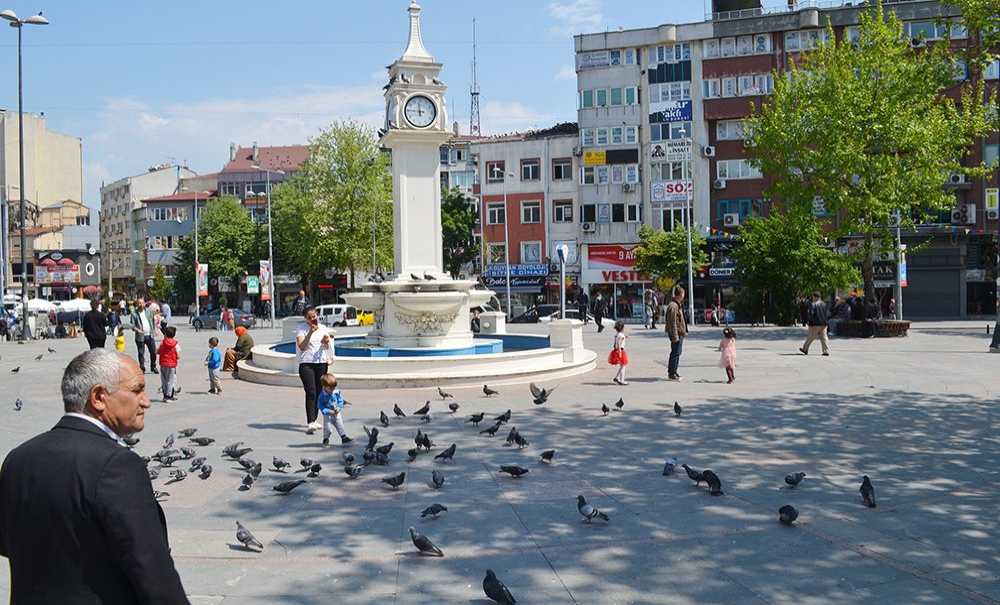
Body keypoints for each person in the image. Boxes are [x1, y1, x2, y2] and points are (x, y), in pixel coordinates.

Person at [0, 349, 189, 603]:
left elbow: (7, 544)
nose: (146, 402)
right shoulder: (118, 466)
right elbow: (154, 575)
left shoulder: (17, 458)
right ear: (99, 397)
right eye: (137, 391)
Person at [296, 306, 333, 434]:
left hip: (321, 363)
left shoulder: (323, 328)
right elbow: (301, 346)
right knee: (311, 392)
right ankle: (310, 421)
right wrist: (310, 332)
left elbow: (326, 346)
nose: (313, 319)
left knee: (319, 392)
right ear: (306, 318)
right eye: (309, 317)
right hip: (306, 364)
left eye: (314, 316)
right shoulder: (301, 329)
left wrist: (326, 341)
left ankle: (315, 419)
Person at [317, 373, 352, 446]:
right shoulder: (322, 395)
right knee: (328, 428)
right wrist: (327, 411)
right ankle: (326, 439)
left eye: (334, 387)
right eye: (330, 388)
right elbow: (320, 405)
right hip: (328, 415)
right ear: (324, 387)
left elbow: (340, 400)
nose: (332, 389)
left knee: (340, 425)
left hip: (336, 413)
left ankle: (344, 437)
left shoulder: (336, 392)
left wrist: (339, 407)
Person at [665, 286, 688, 381]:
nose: (684, 296)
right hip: (676, 334)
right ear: (680, 294)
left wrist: (684, 331)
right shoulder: (673, 306)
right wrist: (675, 336)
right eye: (683, 294)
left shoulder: (677, 305)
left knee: (677, 353)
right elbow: (672, 322)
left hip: (679, 333)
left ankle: (674, 371)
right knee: (675, 353)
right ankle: (671, 373)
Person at [130, 298, 158, 374]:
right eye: (139, 303)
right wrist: (137, 330)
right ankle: (142, 368)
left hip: (149, 335)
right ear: (137, 304)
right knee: (141, 353)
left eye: (142, 303)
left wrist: (154, 330)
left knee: (153, 352)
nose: (141, 304)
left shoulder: (148, 312)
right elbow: (132, 325)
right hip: (140, 336)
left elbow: (152, 321)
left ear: (144, 303)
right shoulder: (134, 314)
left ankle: (153, 366)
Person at [800, 292, 830, 356]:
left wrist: (809, 322)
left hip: (815, 323)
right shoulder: (824, 304)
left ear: (814, 297)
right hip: (824, 323)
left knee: (811, 337)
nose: (812, 298)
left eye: (813, 297)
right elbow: (827, 313)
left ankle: (805, 349)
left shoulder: (813, 304)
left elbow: (811, 314)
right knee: (824, 337)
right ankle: (826, 351)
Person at [157, 325, 180, 401]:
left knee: (164, 380)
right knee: (170, 380)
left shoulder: (163, 343)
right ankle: (169, 396)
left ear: (165, 334)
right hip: (172, 365)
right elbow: (178, 356)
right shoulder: (175, 344)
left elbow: (158, 351)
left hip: (163, 363)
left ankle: (165, 395)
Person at [609, 320, 629, 385]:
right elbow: (619, 343)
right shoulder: (621, 335)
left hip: (617, 350)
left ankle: (618, 377)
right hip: (620, 351)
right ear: (622, 328)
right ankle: (621, 379)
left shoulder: (617, 334)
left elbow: (617, 342)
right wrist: (620, 351)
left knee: (622, 365)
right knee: (623, 365)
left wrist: (624, 337)